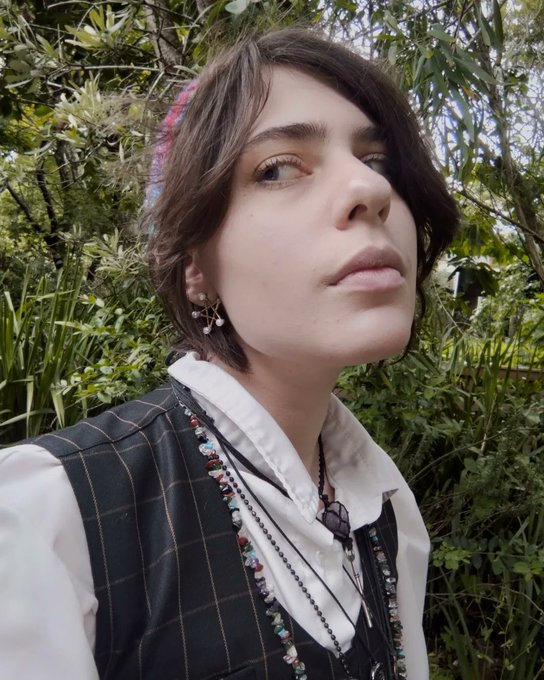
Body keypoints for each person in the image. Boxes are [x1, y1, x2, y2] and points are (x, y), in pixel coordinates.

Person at [0, 27, 458, 680]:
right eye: (279, 168)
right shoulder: (49, 524)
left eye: (379, 160)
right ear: (196, 266)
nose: (370, 188)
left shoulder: (387, 509)